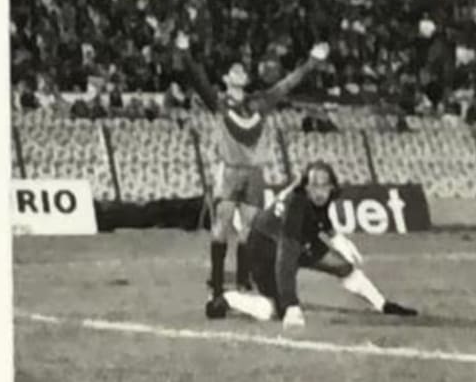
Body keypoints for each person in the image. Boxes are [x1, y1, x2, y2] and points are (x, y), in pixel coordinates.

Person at [173, 31, 329, 315]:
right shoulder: (220, 103)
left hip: (254, 172)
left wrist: (311, 63)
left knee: (249, 230)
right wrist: (185, 54)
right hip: (230, 171)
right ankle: (217, 287)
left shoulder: (259, 102)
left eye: (242, 70)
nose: (240, 73)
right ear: (226, 79)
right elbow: (198, 81)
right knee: (221, 226)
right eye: (234, 70)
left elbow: (287, 84)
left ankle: (243, 284)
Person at [215, 160, 417, 326]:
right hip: (264, 246)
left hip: (298, 236)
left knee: (342, 266)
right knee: (275, 310)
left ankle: (383, 304)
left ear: (332, 186)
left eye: (324, 186)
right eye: (315, 186)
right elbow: (286, 260)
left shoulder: (321, 197)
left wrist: (337, 237)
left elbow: (318, 217)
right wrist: (291, 304)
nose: (320, 192)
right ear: (306, 187)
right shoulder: (296, 206)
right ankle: (227, 299)